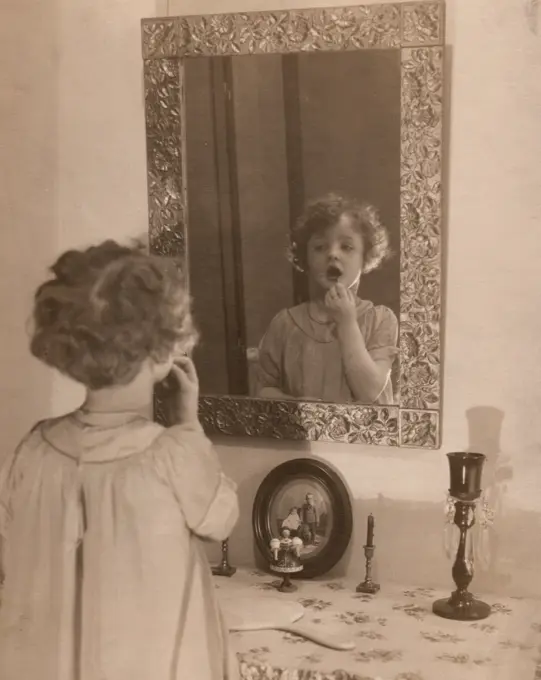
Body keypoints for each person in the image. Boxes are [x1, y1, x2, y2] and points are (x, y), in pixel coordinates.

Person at [0, 240, 240, 680]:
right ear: (164, 352)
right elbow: (220, 520)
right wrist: (188, 424)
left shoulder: (34, 449)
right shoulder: (171, 454)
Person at [256, 192, 398, 404]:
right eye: (320, 247)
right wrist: (293, 404)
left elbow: (370, 394)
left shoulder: (380, 320)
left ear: (365, 257)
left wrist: (347, 321)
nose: (332, 254)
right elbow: (262, 392)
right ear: (305, 258)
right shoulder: (284, 324)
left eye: (347, 247)